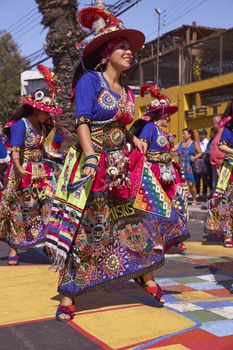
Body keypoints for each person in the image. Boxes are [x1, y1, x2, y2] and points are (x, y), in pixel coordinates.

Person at [45, 7, 186, 322]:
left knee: (136, 221)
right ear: (107, 52)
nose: (129, 54)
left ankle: (146, 276)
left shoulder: (129, 91)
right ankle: (69, 294)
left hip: (123, 164)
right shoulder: (90, 82)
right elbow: (82, 121)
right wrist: (91, 156)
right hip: (94, 164)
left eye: (131, 50)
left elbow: (125, 126)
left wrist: (133, 140)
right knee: (86, 229)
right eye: (123, 48)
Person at [0, 64, 62, 265]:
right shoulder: (21, 125)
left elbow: (43, 148)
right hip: (22, 172)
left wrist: (52, 158)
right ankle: (14, 250)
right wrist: (18, 168)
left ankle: (48, 244)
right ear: (35, 110)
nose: (48, 115)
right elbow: (16, 150)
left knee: (50, 205)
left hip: (41, 171)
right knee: (21, 210)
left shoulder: (43, 126)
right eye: (45, 112)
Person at [130, 84, 190, 251]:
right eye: (167, 115)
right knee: (156, 204)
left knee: (176, 201)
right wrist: (145, 166)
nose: (169, 118)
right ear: (161, 114)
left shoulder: (163, 132)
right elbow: (142, 147)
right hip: (154, 170)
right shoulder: (150, 128)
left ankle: (174, 235)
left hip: (169, 170)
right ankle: (156, 238)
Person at [205, 101, 233, 247]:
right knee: (228, 202)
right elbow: (222, 145)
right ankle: (228, 235)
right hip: (230, 171)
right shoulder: (229, 127)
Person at [175, 128, 202, 205]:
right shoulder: (180, 143)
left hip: (189, 167)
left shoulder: (194, 143)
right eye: (182, 134)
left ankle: (194, 199)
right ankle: (184, 200)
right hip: (180, 167)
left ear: (189, 135)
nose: (183, 135)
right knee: (182, 185)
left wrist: (195, 157)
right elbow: (173, 149)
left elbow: (200, 153)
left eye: (184, 134)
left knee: (191, 184)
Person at [209, 116, 225, 189]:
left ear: (216, 123)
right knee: (216, 188)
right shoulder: (218, 134)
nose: (212, 126)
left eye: (212, 123)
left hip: (221, 165)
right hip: (215, 166)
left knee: (220, 189)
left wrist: (224, 160)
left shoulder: (224, 133)